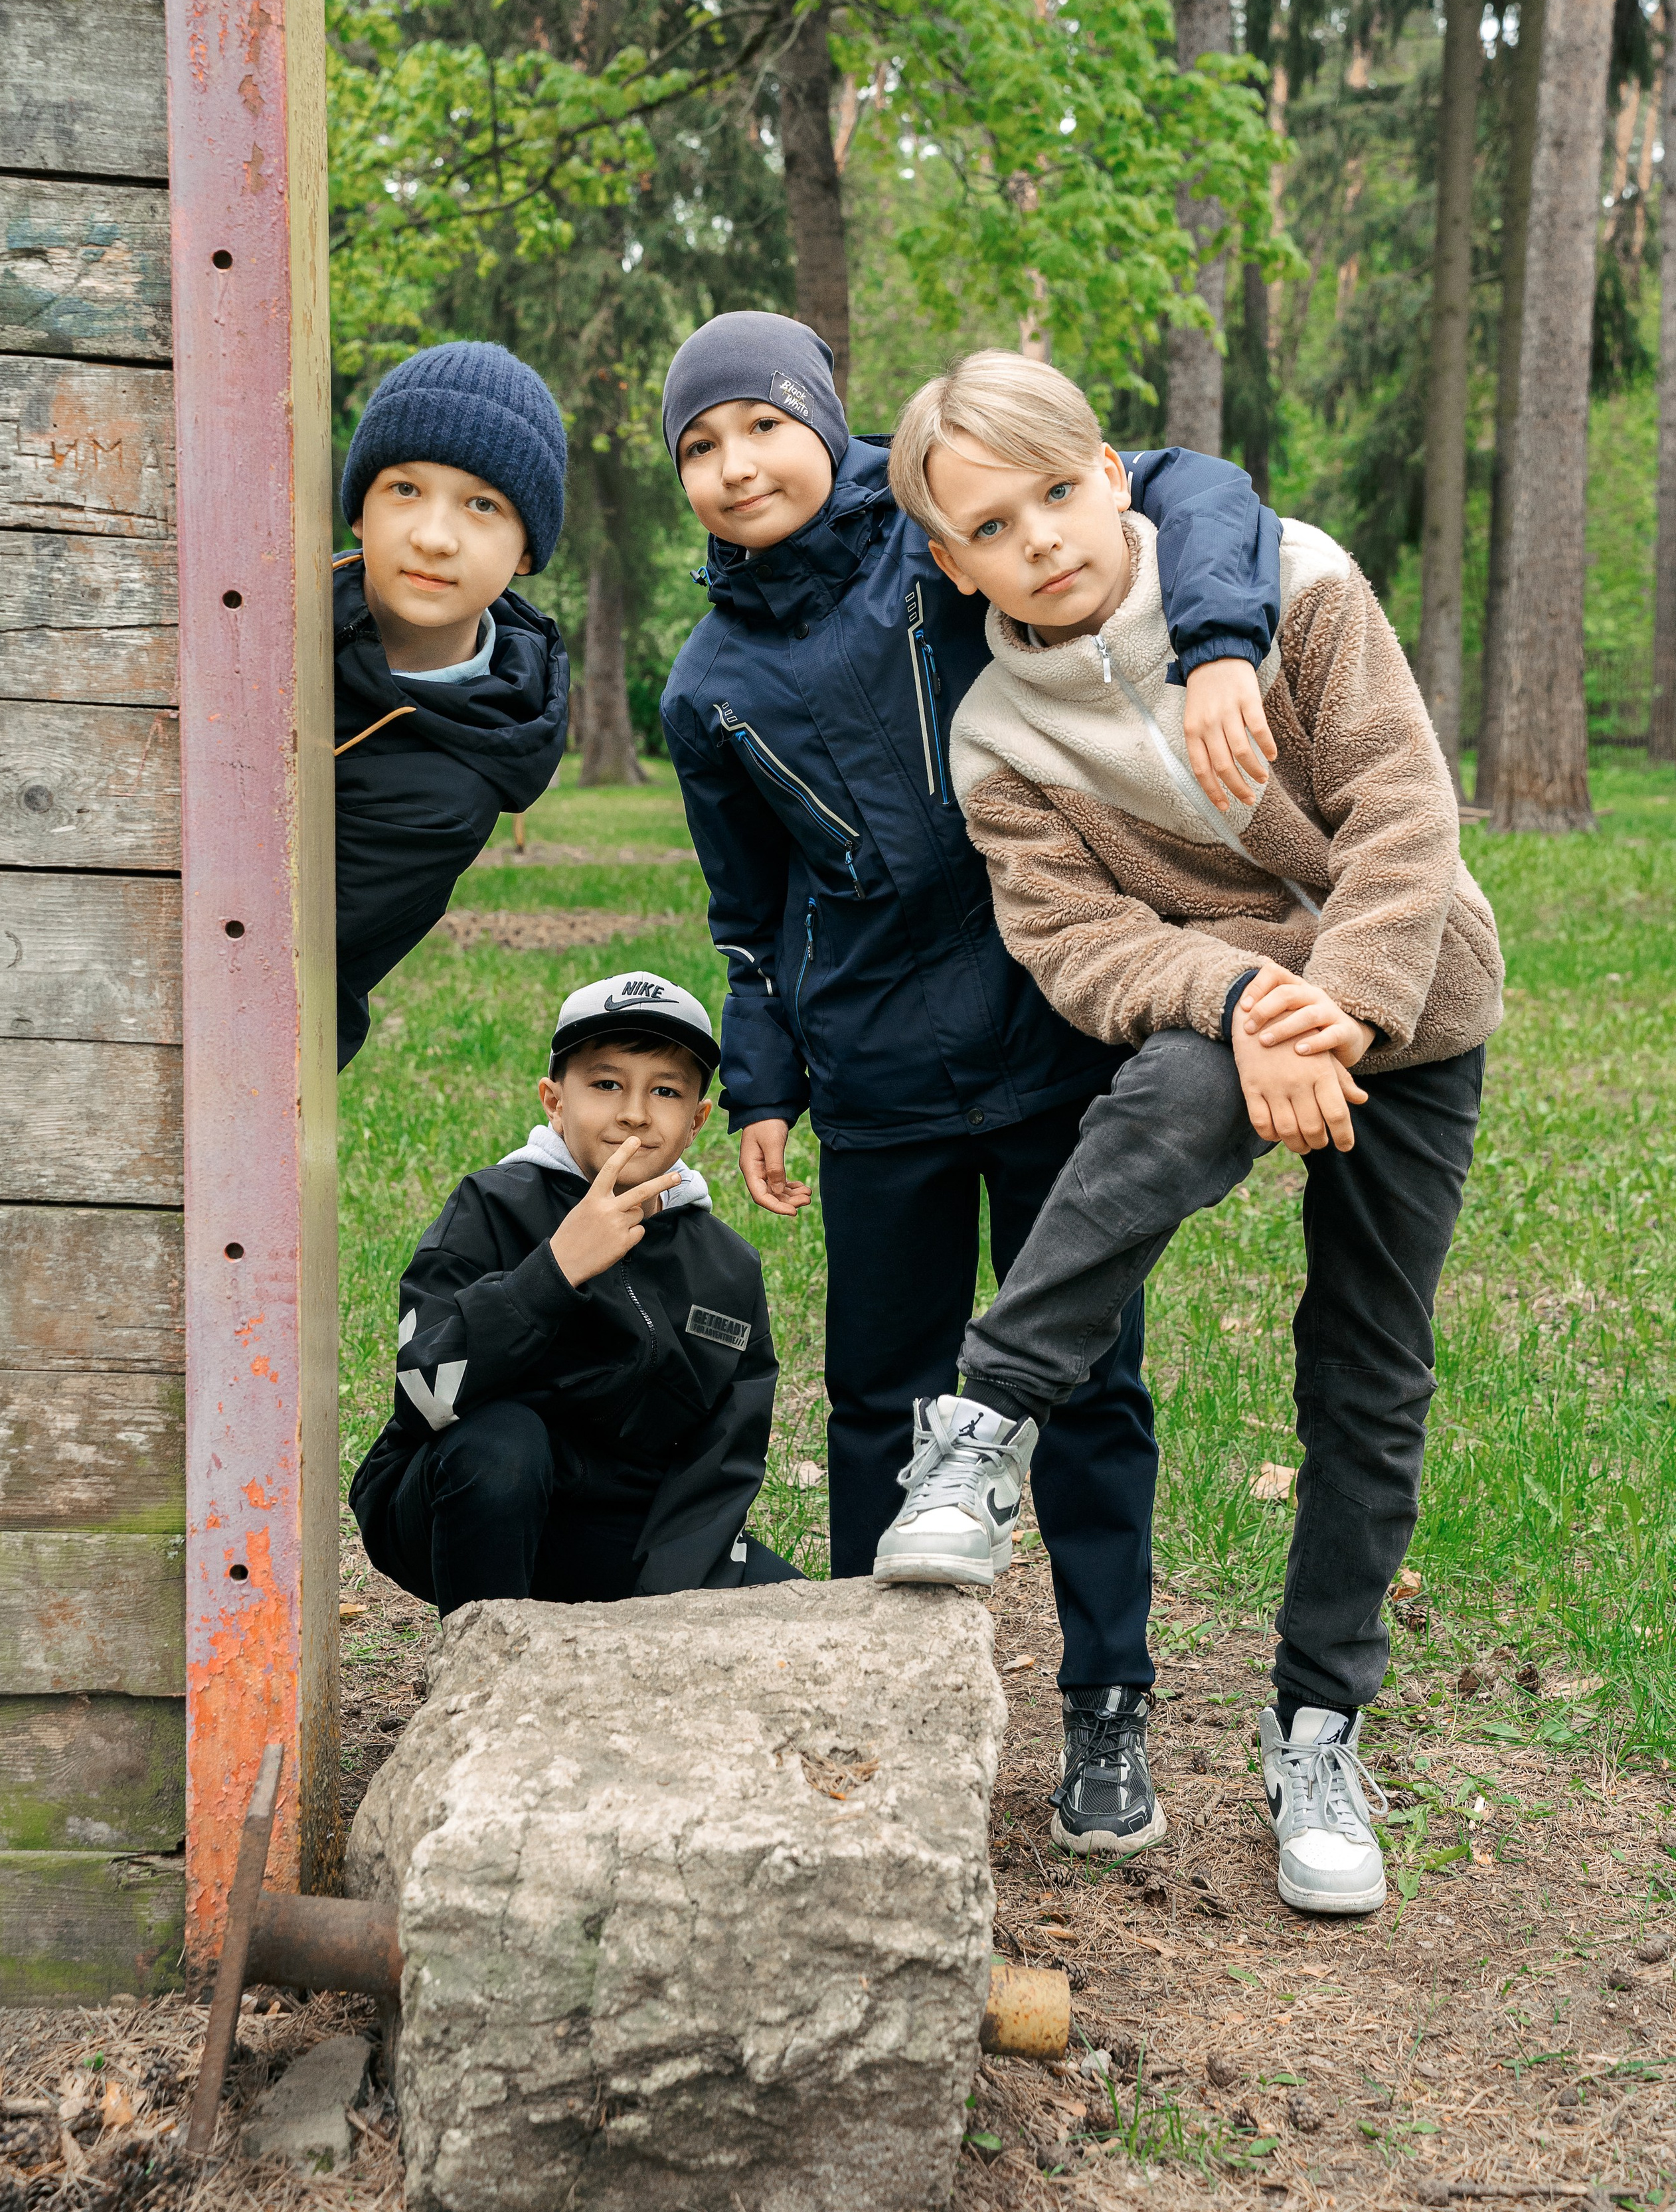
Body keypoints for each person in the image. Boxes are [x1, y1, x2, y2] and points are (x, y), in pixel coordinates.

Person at [873, 351, 1504, 1914]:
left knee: (1367, 1362)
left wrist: (1338, 1014)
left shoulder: (1291, 587)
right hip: (1229, 1017)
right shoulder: (998, 739)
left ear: (1110, 470)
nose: (1039, 541)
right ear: (952, 562)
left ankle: (1316, 1728)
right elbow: (1077, 947)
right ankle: (986, 1423)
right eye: (990, 527)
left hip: (1410, 994)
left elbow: (1399, 811)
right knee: (1152, 1100)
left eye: (1055, 494)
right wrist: (1242, 1002)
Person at [658, 310, 1285, 1843]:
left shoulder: (951, 526)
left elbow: (1188, 484)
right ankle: (892, 1712)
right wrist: (761, 1084)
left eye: (759, 424)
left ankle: (1105, 1706)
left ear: (823, 418)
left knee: (1080, 1379)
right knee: (881, 1394)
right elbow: (748, 919)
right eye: (697, 446)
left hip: (1057, 1032)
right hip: (872, 1073)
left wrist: (1217, 648)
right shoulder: (705, 687)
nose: (736, 466)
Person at [349, 972, 798, 1615]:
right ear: (554, 1101)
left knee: (791, 1613)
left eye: (665, 1090)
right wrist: (553, 1272)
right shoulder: (492, 1205)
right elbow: (425, 1393)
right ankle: (488, 1680)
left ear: (698, 1119)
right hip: (468, 1502)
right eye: (606, 1083)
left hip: (624, 1536)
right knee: (504, 1445)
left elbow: (722, 1459)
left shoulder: (727, 1266)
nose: (634, 1112)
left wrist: (663, 1611)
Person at [333, 341, 572, 1067]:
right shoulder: (263, 599)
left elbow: (265, 939)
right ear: (358, 512)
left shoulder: (449, 792)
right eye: (404, 489)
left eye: (481, 505)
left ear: (526, 549)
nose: (433, 537)